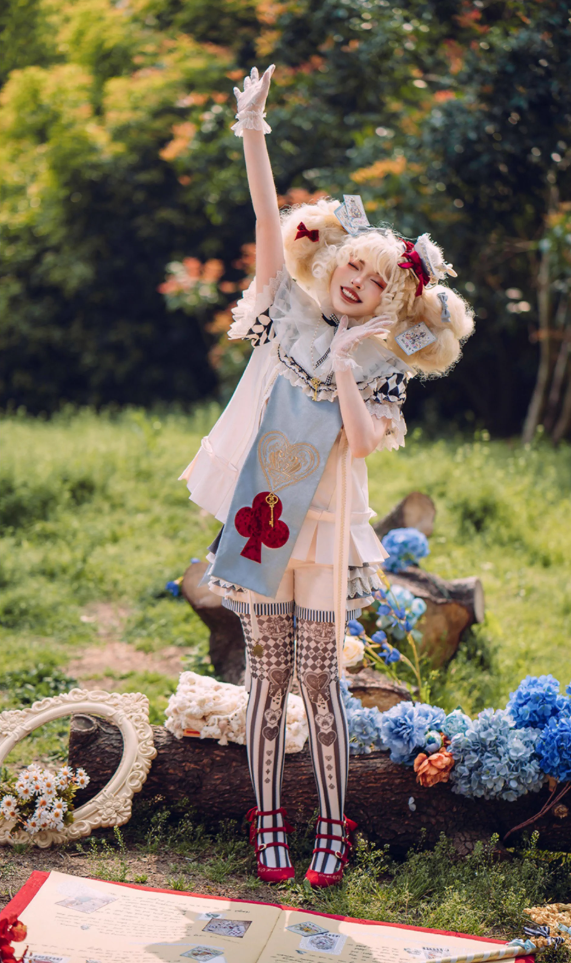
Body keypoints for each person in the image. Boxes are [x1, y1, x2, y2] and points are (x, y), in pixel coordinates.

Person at [179, 65, 474, 887]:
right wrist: (252, 128)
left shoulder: (378, 364)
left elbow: (364, 442)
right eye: (352, 265)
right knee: (266, 672)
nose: (356, 281)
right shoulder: (283, 311)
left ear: (389, 300)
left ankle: (333, 827)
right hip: (260, 517)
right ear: (334, 261)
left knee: (319, 676)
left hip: (323, 532)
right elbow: (265, 219)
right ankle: (267, 819)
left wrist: (345, 363)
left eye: (377, 280)